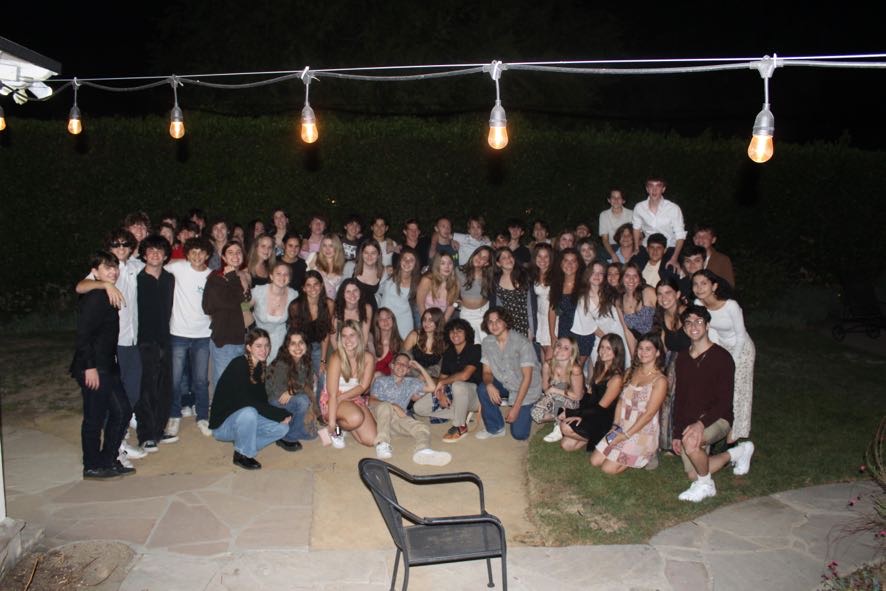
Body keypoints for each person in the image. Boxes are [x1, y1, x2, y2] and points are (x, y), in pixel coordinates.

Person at [74, 228, 145, 463]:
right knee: (102, 409)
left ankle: (113, 448)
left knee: (126, 400)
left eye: (125, 244)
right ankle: (106, 454)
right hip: (105, 352)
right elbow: (80, 287)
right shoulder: (102, 277)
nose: (121, 248)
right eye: (116, 244)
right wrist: (106, 285)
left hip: (125, 345)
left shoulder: (133, 266)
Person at [673, 305, 755, 502]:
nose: (694, 326)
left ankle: (706, 486)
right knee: (693, 473)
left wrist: (700, 424)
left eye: (699, 321)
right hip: (691, 421)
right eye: (688, 323)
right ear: (684, 328)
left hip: (718, 418)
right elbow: (680, 398)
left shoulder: (722, 358)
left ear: (707, 325)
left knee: (691, 444)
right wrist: (676, 433)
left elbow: (724, 402)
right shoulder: (682, 358)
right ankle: (738, 453)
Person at [209, 328, 291, 470]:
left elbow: (261, 401)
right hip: (223, 425)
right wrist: (279, 414)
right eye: (258, 346)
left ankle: (243, 442)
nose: (264, 350)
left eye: (266, 345)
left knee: (282, 429)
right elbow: (245, 401)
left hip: (244, 419)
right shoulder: (239, 364)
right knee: (249, 412)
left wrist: (279, 418)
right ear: (248, 347)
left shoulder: (260, 367)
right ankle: (242, 454)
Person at [692, 270, 755, 442]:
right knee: (718, 388)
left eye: (704, 283)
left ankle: (736, 433)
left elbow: (741, 335)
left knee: (738, 390)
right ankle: (719, 424)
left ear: (714, 286)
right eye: (695, 284)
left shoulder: (731, 306)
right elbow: (709, 330)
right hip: (720, 345)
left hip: (741, 349)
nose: (699, 288)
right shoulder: (698, 303)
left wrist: (731, 362)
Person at [591, 333, 667, 473]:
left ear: (657, 353)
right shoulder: (630, 372)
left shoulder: (660, 380)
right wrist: (615, 426)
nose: (643, 352)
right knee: (595, 460)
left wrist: (625, 435)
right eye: (640, 348)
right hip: (622, 424)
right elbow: (621, 401)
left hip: (641, 429)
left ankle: (648, 454)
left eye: (648, 349)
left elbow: (649, 414)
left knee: (608, 469)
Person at [164, 236, 213, 442]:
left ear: (207, 255)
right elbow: (155, 266)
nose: (197, 256)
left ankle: (202, 416)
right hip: (179, 332)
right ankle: (174, 415)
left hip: (203, 334)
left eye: (201, 252)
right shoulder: (179, 268)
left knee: (201, 380)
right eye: (193, 252)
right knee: (175, 379)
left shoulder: (212, 276)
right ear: (187, 254)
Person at [368, 353, 452, 466]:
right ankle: (382, 443)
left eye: (405, 365)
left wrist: (419, 367)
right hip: (380, 417)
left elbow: (432, 387)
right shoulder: (381, 380)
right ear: (392, 365)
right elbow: (371, 401)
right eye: (398, 363)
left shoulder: (411, 383)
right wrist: (392, 405)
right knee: (385, 407)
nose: (401, 366)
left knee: (422, 427)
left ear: (408, 370)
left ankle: (422, 451)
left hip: (398, 418)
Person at [476, 307, 543, 441]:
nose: (494, 325)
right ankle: (496, 428)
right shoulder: (487, 342)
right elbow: (487, 372)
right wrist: (489, 384)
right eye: (490, 322)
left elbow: (527, 378)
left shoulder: (522, 342)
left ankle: (533, 404)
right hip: (504, 382)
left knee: (519, 434)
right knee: (483, 388)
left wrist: (516, 408)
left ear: (506, 322)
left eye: (498, 321)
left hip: (526, 388)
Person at [134, 235, 175, 453]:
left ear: (166, 255)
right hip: (144, 340)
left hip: (165, 339)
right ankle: (146, 435)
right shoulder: (137, 279)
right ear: (144, 254)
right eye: (150, 250)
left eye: (159, 251)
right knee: (146, 388)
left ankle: (159, 429)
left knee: (164, 386)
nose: (155, 254)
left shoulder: (169, 279)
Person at [412, 318, 482, 442]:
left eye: (459, 331)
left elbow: (465, 376)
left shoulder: (475, 349)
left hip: (475, 396)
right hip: (454, 394)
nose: (455, 334)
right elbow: (442, 378)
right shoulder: (449, 353)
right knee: (418, 408)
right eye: (452, 331)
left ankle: (460, 425)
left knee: (458, 385)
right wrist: (441, 394)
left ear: (466, 333)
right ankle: (460, 412)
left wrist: (442, 383)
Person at [203, 242, 251, 413]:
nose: (235, 255)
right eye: (230, 252)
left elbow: (244, 304)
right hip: (225, 336)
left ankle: (233, 413)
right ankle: (219, 414)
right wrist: (232, 280)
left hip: (243, 335)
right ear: (223, 257)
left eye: (238, 252)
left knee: (238, 380)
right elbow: (209, 307)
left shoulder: (244, 276)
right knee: (223, 380)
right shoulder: (216, 278)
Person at [559, 333, 625, 453]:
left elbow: (601, 408)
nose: (603, 351)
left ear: (616, 352)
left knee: (565, 427)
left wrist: (575, 414)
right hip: (592, 412)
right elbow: (588, 395)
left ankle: (602, 439)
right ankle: (591, 440)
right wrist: (574, 411)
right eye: (602, 347)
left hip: (603, 418)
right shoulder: (599, 366)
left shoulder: (616, 378)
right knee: (566, 445)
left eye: (608, 348)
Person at [321, 320, 377, 449]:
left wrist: (343, 397)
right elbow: (332, 395)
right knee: (356, 418)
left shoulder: (368, 358)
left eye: (352, 335)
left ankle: (346, 422)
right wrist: (331, 423)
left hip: (352, 398)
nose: (348, 340)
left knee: (371, 440)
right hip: (332, 401)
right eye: (344, 336)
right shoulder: (336, 357)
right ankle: (337, 430)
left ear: (359, 336)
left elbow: (363, 387)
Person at [652, 275, 689, 451]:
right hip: (673, 360)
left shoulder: (688, 314)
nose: (663, 297)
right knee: (660, 384)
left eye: (668, 293)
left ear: (678, 294)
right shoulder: (661, 315)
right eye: (660, 294)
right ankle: (665, 439)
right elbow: (663, 346)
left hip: (690, 361)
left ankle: (678, 438)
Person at [572, 261, 633, 366]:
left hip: (622, 335)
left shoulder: (611, 291)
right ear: (587, 274)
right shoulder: (583, 299)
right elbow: (590, 326)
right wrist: (609, 341)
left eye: (600, 273)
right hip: (602, 338)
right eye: (593, 272)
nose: (597, 276)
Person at [266, 330, 317, 450]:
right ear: (287, 347)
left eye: (301, 343)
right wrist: (295, 390)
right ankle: (288, 437)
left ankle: (295, 428)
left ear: (306, 345)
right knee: (303, 401)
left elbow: (308, 386)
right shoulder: (281, 363)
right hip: (274, 400)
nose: (298, 347)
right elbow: (279, 394)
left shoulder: (305, 361)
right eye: (293, 343)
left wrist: (294, 390)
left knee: (313, 435)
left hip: (291, 398)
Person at [288, 270, 335, 400]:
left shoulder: (329, 304)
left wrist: (323, 360)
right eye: (308, 285)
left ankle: (319, 406)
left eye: (316, 284)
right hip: (300, 347)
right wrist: (297, 358)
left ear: (321, 285)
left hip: (318, 346)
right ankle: (307, 405)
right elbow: (294, 336)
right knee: (301, 378)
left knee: (323, 376)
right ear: (303, 288)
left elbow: (326, 333)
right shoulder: (296, 306)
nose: (313, 288)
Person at [532, 337, 584, 443]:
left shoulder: (575, 369)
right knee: (536, 414)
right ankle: (559, 417)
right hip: (554, 398)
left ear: (572, 353)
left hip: (572, 401)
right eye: (558, 346)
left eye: (566, 348)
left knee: (559, 390)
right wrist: (551, 393)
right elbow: (545, 388)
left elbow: (578, 396)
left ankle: (558, 427)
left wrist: (555, 390)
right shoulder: (548, 365)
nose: (560, 349)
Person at [632, 177, 687, 271]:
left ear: (663, 189)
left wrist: (674, 257)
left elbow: (680, 235)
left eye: (658, 186)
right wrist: (636, 248)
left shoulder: (673, 208)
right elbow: (636, 228)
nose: (654, 190)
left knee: (668, 271)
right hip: (648, 246)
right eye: (651, 186)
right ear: (647, 189)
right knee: (633, 268)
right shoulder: (639, 207)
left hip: (669, 246)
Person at [252, 261, 298, 359]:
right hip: (258, 341)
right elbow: (243, 306)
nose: (282, 277)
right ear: (271, 276)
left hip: (280, 343)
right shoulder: (258, 291)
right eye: (278, 274)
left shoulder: (294, 295)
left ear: (289, 279)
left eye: (286, 274)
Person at [489, 247, 533, 339]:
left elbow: (530, 305)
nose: (508, 259)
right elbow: (497, 308)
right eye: (504, 258)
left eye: (510, 256)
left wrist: (531, 329)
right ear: (498, 263)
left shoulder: (524, 275)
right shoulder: (495, 282)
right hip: (507, 327)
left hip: (525, 325)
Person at [376, 246, 419, 338]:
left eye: (411, 260)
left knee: (405, 346)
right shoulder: (389, 273)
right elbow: (377, 290)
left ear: (415, 264)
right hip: (385, 319)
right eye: (404, 259)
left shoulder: (417, 282)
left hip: (404, 321)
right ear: (400, 261)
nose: (407, 262)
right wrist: (384, 272)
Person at [457, 245, 495, 344]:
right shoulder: (459, 271)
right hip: (467, 314)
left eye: (484, 258)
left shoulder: (489, 276)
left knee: (488, 344)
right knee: (471, 344)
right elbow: (452, 292)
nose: (479, 258)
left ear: (487, 263)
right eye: (478, 254)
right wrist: (456, 302)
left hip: (484, 313)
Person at [402, 307, 446, 377]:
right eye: (424, 319)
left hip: (431, 376)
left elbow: (441, 368)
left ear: (438, 322)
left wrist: (425, 374)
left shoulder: (444, 341)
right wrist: (418, 374)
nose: (426, 323)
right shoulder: (414, 335)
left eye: (431, 320)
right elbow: (402, 358)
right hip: (411, 374)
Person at [415, 253, 459, 323]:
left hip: (439, 319)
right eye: (443, 263)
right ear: (437, 265)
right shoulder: (427, 280)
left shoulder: (454, 283)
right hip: (422, 314)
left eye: (450, 263)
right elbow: (420, 303)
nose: (447, 267)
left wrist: (442, 324)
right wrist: (427, 322)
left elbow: (451, 306)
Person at [619, 262, 657, 340]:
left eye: (635, 276)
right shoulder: (619, 301)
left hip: (658, 340)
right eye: (627, 276)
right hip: (641, 344)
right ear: (622, 278)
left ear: (639, 279)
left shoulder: (648, 292)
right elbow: (627, 332)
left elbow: (665, 316)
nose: (631, 279)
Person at [530, 243, 554, 361]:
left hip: (553, 318)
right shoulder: (533, 275)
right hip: (540, 318)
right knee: (543, 354)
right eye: (539, 256)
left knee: (550, 357)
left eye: (546, 256)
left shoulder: (556, 275)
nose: (542, 260)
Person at [694, 223, 736, 288]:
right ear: (693, 239)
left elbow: (729, 285)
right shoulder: (687, 259)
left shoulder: (722, 260)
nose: (701, 239)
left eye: (705, 237)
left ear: (713, 240)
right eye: (698, 236)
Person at [334, 278, 374, 345]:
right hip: (338, 347)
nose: (352, 295)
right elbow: (333, 337)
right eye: (348, 292)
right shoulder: (335, 309)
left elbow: (365, 336)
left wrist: (359, 351)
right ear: (343, 294)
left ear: (360, 292)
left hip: (358, 347)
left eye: (355, 290)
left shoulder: (367, 308)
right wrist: (340, 351)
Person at [599, 188, 633, 262]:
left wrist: (632, 253)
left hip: (628, 245)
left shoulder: (631, 214)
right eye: (613, 197)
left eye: (619, 197)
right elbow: (605, 239)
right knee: (600, 253)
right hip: (612, 246)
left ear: (623, 201)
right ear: (609, 200)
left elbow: (638, 235)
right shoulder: (604, 215)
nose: (616, 200)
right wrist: (613, 255)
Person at [309, 233, 345, 299]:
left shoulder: (342, 266)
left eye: (331, 246)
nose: (327, 249)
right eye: (324, 245)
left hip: (330, 302)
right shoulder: (314, 256)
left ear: (337, 248)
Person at [372, 307, 402, 377]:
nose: (385, 321)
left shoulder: (400, 344)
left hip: (388, 380)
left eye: (388, 318)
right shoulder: (371, 341)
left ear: (393, 320)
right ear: (377, 323)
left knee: (377, 374)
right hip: (368, 378)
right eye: (381, 319)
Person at [352, 239, 383, 305]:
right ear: (361, 254)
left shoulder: (383, 272)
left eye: (373, 253)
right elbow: (342, 292)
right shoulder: (351, 267)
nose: (369, 256)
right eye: (366, 252)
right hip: (353, 309)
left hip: (372, 309)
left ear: (378, 255)